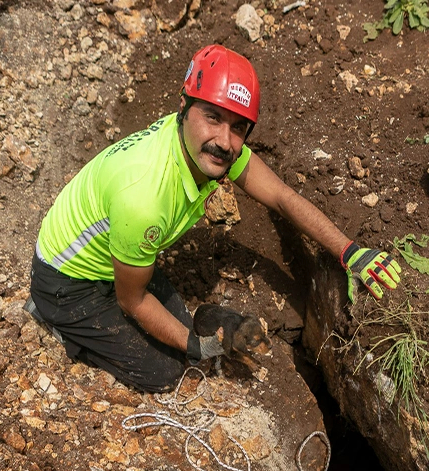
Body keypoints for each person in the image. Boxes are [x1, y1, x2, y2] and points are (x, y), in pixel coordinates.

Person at [28, 44, 401, 393]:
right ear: (184, 107)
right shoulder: (145, 196)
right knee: (166, 372)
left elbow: (282, 198)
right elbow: (133, 301)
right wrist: (202, 347)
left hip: (116, 255)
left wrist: (350, 252)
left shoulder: (197, 145)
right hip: (67, 281)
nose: (224, 140)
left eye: (238, 126)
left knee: (180, 334)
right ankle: (60, 323)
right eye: (213, 117)